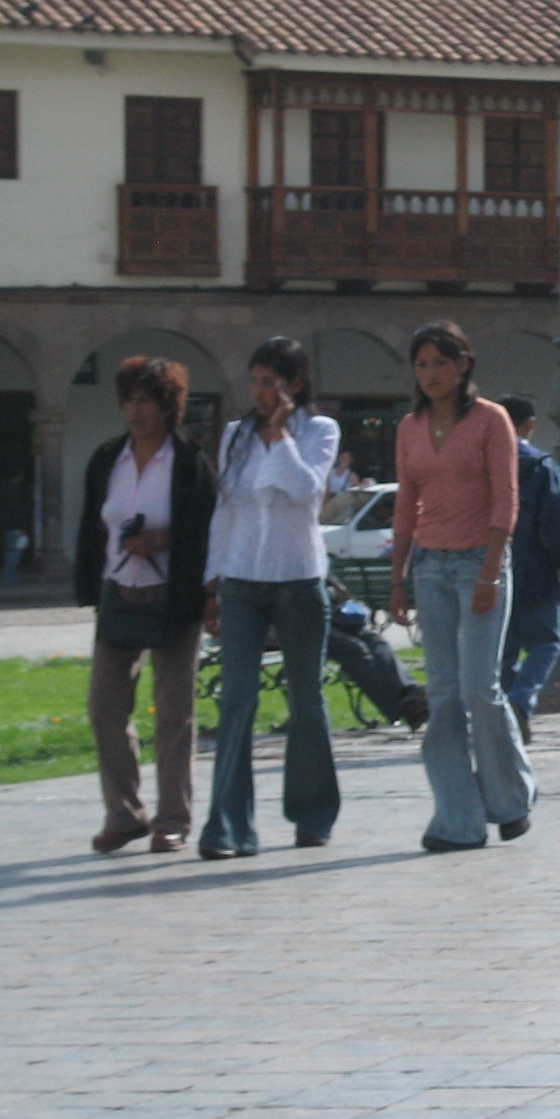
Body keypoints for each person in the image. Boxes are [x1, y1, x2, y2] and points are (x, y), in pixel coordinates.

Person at [389, 321, 535, 852]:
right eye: (422, 364)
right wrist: (398, 577)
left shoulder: (491, 420)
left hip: (480, 562)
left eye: (441, 363)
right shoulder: (410, 427)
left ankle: (511, 799)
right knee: (443, 695)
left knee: (479, 687)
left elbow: (506, 500)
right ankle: (458, 821)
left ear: (464, 365)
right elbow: (406, 503)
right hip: (430, 567)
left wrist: (490, 573)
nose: (431, 374)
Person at [201, 339, 340, 860]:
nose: (259, 392)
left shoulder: (320, 431)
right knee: (236, 699)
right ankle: (228, 826)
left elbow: (306, 493)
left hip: (298, 580)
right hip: (241, 580)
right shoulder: (235, 435)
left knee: (306, 701)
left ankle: (312, 814)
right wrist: (211, 582)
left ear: (294, 384)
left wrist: (280, 435)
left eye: (270, 382)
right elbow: (225, 510)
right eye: (255, 381)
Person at [76, 356, 218, 854]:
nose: (136, 411)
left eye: (146, 401)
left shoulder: (189, 462)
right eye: (130, 401)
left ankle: (172, 819)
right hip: (119, 591)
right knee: (104, 709)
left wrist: (162, 539)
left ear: (167, 407)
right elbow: (94, 525)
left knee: (174, 712)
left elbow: (207, 528)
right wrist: (90, 582)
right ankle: (124, 814)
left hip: (174, 596)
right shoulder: (107, 458)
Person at [495, 395, 560, 743]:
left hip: (492, 570)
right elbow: (559, 523)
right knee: (548, 641)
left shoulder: (484, 465)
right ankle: (520, 702)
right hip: (536, 570)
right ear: (530, 425)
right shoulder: (541, 466)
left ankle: (505, 718)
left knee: (504, 649)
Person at [326, 573, 428, 731]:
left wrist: (338, 590)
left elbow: (339, 590)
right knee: (354, 649)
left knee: (374, 639)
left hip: (330, 617)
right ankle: (402, 709)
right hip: (301, 624)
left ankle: (409, 692)